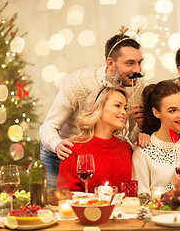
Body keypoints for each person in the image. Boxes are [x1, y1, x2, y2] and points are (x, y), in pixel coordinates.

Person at [39, 27, 148, 189]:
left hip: (101, 154)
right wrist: (57, 145)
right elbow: (48, 126)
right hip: (65, 152)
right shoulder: (78, 82)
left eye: (139, 62)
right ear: (110, 63)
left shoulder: (137, 89)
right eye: (130, 63)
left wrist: (139, 127)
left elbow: (126, 137)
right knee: (59, 204)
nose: (137, 70)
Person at [57, 87, 132, 192]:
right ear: (98, 108)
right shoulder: (73, 148)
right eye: (117, 105)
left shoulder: (125, 148)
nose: (123, 112)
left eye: (125, 108)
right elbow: (66, 194)